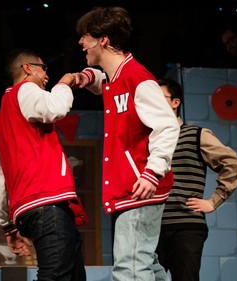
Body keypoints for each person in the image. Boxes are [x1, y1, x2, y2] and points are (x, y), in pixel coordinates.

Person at [73, 6, 180, 281]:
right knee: (148, 267)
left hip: (139, 189)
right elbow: (104, 80)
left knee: (130, 270)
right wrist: (87, 77)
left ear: (103, 40)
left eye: (85, 36)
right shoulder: (118, 77)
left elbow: (167, 126)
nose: (81, 43)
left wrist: (152, 172)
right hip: (132, 188)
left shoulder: (137, 78)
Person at [0, 48, 88, 281]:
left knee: (72, 276)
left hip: (31, 210)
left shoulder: (1, 119)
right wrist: (65, 83)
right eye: (43, 69)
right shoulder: (26, 89)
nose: (47, 76)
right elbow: (55, 108)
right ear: (28, 68)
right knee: (54, 276)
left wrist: (7, 226)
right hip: (46, 203)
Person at [156, 78, 237, 281]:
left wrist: (214, 201)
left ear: (175, 102)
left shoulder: (195, 134)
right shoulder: (150, 140)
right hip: (153, 227)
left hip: (186, 226)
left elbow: (232, 163)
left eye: (160, 98)